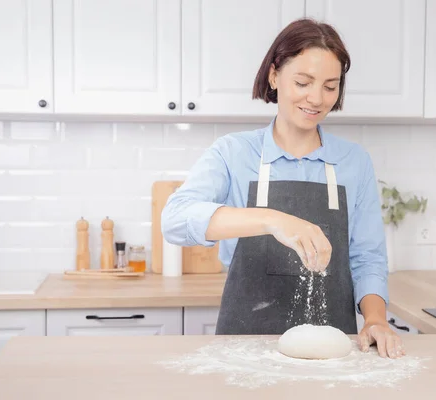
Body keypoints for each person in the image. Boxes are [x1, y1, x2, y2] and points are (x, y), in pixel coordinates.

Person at [162, 18, 405, 359]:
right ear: (275, 76)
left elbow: (367, 257)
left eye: (330, 86)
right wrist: (272, 220)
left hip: (333, 349)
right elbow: (174, 219)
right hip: (243, 347)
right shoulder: (233, 153)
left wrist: (376, 319)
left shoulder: (354, 161)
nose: (316, 98)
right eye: (303, 82)